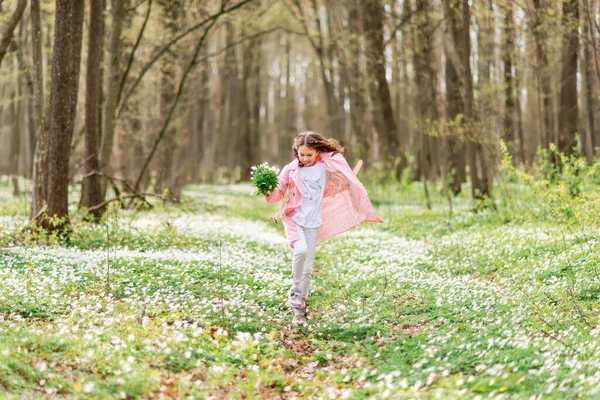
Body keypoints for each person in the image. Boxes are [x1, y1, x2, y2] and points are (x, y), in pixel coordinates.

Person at [265, 131, 382, 325]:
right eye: (301, 155)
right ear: (296, 152)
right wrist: (268, 191)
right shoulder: (291, 169)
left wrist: (351, 184)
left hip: (313, 223)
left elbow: (342, 179)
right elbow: (278, 194)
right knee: (300, 251)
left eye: (309, 155)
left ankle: (299, 312)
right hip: (295, 220)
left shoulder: (324, 167)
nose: (305, 159)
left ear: (317, 152)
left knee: (308, 268)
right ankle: (294, 291)